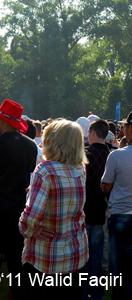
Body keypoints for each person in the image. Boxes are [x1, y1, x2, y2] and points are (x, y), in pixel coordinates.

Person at [19, 120, 88, 299]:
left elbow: (30, 218)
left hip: (47, 257)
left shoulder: (46, 170)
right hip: (75, 251)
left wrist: (27, 228)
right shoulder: (80, 169)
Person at [0, 99, 38, 300]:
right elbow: (29, 171)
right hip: (18, 212)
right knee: (16, 263)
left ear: (3, 121)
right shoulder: (31, 146)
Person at [101, 111, 132, 299]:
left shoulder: (117, 156)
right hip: (121, 216)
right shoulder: (116, 155)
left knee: (119, 273)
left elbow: (106, 186)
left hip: (121, 217)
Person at [82, 119, 111, 300]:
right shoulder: (111, 154)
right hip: (101, 210)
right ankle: (97, 293)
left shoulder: (85, 154)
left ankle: (84, 293)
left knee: (83, 258)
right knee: (97, 257)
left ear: (92, 133)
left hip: (85, 210)